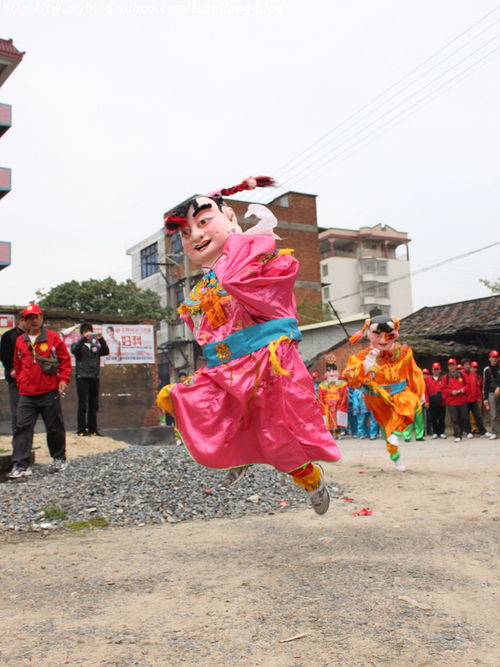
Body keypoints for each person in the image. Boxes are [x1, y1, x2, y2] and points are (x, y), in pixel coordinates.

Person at [157, 176, 341, 514]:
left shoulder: (258, 256)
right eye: (186, 232)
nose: (195, 235)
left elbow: (257, 293)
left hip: (266, 367)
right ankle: (240, 451)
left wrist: (245, 241)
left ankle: (311, 479)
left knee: (276, 439)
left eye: (203, 222)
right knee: (183, 401)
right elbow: (210, 331)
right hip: (225, 370)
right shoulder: (207, 284)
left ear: (230, 217)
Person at [344, 314, 425, 471]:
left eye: (388, 335)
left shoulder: (405, 352)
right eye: (377, 335)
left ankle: (396, 433)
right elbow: (352, 381)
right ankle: (395, 455)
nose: (383, 340)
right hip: (376, 397)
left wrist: (419, 392)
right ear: (369, 334)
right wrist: (366, 366)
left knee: (408, 403)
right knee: (387, 429)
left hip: (399, 390)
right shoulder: (359, 357)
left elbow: (414, 372)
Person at [7, 304, 71, 478]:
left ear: (42, 318)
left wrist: (64, 379)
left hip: (49, 391)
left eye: (36, 316)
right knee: (22, 428)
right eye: (29, 318)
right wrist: (21, 381)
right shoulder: (21, 341)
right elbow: (17, 364)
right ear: (24, 321)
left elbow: (65, 360)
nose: (33, 320)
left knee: (54, 427)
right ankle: (20, 465)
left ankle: (59, 458)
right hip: (26, 394)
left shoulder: (52, 337)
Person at [70, 323, 109, 436]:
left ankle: (93, 429)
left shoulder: (95, 345)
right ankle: (81, 430)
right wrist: (83, 338)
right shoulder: (77, 345)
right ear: (82, 333)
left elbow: (106, 351)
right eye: (86, 331)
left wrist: (101, 339)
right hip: (82, 377)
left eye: (90, 331)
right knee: (83, 404)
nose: (88, 333)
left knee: (93, 404)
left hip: (94, 377)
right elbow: (74, 350)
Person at [0, 310, 26, 434]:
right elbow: (4, 355)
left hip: (31, 379)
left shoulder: (33, 336)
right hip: (15, 379)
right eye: (28, 319)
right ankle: (18, 439)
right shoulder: (9, 336)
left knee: (29, 411)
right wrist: (11, 369)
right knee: (18, 410)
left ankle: (28, 439)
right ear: (21, 320)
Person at [317, 356, 348, 440]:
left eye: (334, 371)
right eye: (329, 371)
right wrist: (323, 406)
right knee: (328, 419)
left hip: (338, 404)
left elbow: (345, 396)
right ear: (326, 374)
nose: (331, 373)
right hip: (327, 405)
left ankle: (338, 433)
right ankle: (330, 434)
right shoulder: (322, 385)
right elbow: (320, 397)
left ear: (337, 372)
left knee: (338, 418)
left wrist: (342, 405)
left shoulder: (343, 384)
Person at [442, 358, 471, 443]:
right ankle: (457, 434)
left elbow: (468, 386)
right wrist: (451, 392)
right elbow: (443, 389)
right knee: (454, 418)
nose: (452, 367)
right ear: (448, 367)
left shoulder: (462, 375)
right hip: (452, 401)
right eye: (450, 365)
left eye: (453, 365)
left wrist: (463, 390)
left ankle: (460, 432)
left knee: (464, 418)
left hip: (462, 400)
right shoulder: (445, 377)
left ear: (456, 366)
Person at [461, 358, 491, 438]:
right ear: (463, 366)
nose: (468, 366)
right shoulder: (460, 375)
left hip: (474, 399)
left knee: (478, 416)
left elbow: (477, 387)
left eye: (468, 364)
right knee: (466, 417)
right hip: (465, 400)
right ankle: (468, 431)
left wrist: (479, 397)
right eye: (466, 365)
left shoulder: (473, 375)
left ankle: (482, 432)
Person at [425, 362, 447, 439]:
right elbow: (426, 391)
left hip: (442, 402)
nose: (436, 371)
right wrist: (427, 401)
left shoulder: (443, 379)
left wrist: (444, 398)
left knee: (441, 418)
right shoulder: (428, 379)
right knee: (433, 418)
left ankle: (441, 432)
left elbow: (445, 389)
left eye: (437, 369)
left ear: (440, 370)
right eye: (434, 369)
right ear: (432, 370)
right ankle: (435, 432)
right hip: (432, 402)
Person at [483, 350, 500, 440]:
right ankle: (494, 432)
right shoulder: (486, 370)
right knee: (493, 414)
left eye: (496, 357)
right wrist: (485, 398)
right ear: (489, 358)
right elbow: (485, 385)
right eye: (493, 357)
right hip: (491, 394)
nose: (494, 359)